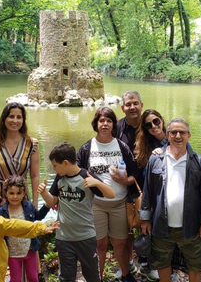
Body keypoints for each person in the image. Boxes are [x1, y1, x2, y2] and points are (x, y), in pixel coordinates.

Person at [140, 117, 201, 282]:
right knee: (162, 261)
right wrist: (145, 219)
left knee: (196, 263)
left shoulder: (198, 161)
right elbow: (148, 190)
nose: (178, 135)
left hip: (191, 225)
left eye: (182, 132)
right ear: (167, 134)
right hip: (161, 223)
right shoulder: (155, 159)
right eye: (173, 132)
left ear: (189, 135)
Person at [76, 107, 139, 282]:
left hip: (119, 203)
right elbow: (77, 171)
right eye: (101, 121)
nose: (105, 124)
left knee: (121, 243)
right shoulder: (87, 147)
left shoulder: (122, 146)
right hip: (96, 204)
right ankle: (97, 277)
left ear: (113, 124)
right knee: (99, 244)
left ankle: (126, 274)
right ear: (96, 124)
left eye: (109, 121)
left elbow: (135, 174)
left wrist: (126, 181)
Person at [38, 141, 115, 282]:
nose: (54, 169)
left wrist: (97, 183)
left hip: (85, 237)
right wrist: (43, 193)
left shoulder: (86, 176)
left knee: (92, 276)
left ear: (66, 163)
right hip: (64, 238)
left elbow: (111, 194)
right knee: (66, 277)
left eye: (55, 165)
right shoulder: (60, 178)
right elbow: (52, 201)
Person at [115, 91, 155, 280]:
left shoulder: (149, 124)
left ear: (141, 104)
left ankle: (148, 263)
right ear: (123, 107)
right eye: (128, 104)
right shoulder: (117, 128)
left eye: (135, 103)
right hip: (124, 184)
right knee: (128, 225)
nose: (132, 107)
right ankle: (129, 262)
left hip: (148, 183)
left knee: (147, 224)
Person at [0, 102, 40, 213]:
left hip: (20, 197)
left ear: (23, 120)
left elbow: (34, 175)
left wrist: (35, 202)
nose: (15, 121)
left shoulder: (31, 144)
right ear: (4, 119)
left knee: (20, 228)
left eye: (19, 117)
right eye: (11, 116)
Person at [0, 176, 50, 282]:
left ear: (24, 193)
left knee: (33, 277)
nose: (15, 196)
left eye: (18, 193)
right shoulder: (1, 212)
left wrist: (47, 205)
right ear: (6, 193)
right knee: (15, 279)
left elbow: (37, 217)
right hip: (12, 253)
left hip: (29, 250)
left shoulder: (28, 206)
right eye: (11, 193)